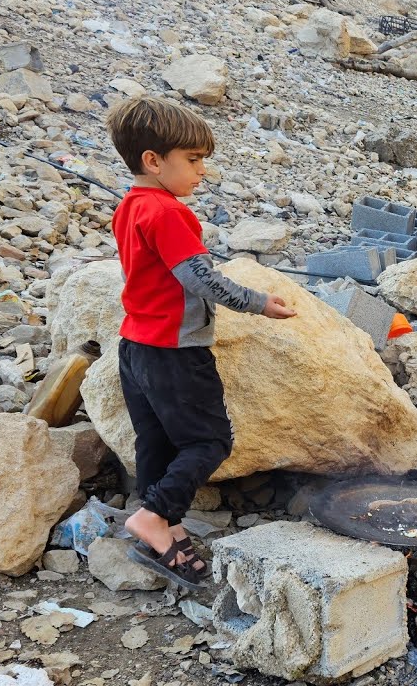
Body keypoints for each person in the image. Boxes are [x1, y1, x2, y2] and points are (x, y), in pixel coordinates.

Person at [106, 96, 297, 589]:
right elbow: (199, 278)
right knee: (209, 441)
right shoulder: (168, 213)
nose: (203, 172)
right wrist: (259, 302)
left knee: (158, 440)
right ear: (153, 160)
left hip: (136, 347)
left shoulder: (130, 207)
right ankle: (153, 518)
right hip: (175, 352)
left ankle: (160, 526)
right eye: (193, 160)